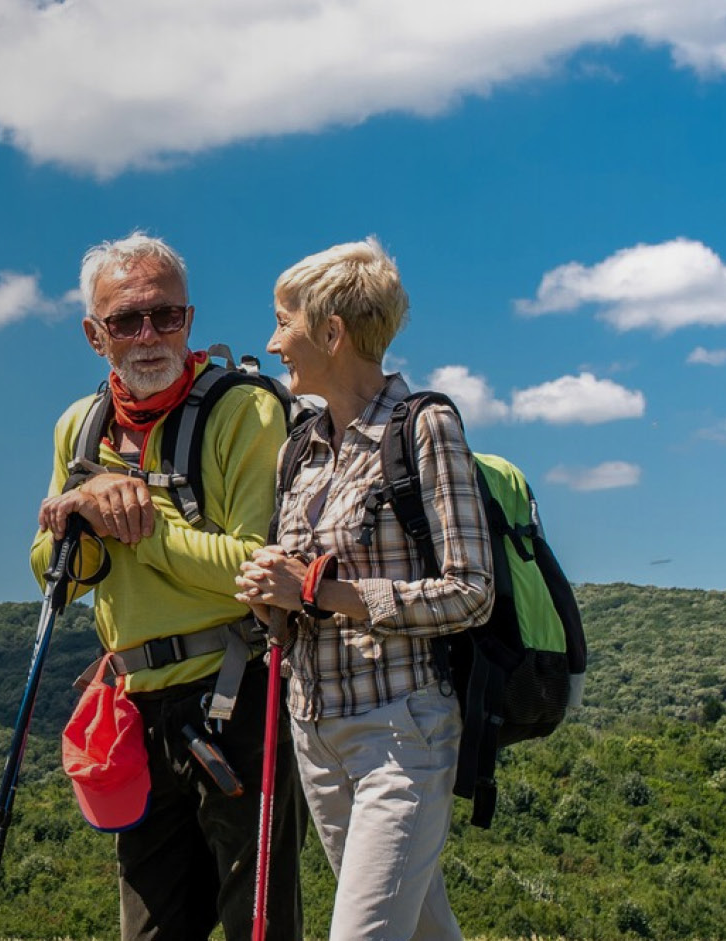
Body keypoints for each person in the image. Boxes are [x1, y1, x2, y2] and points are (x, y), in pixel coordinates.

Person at [33, 232, 299, 941]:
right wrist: (86, 516)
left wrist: (134, 522)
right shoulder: (79, 427)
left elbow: (254, 570)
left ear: (189, 319)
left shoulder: (246, 409)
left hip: (240, 695)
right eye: (126, 320)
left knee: (259, 926)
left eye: (166, 316)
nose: (149, 335)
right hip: (134, 706)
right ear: (95, 335)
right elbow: (51, 575)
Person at [234, 238, 495, 941]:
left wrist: (321, 591)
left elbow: (471, 591)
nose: (273, 343)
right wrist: (273, 598)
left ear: (331, 333)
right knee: (422, 931)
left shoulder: (424, 427)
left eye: (283, 322)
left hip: (400, 731)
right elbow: (299, 600)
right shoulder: (299, 449)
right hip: (314, 732)